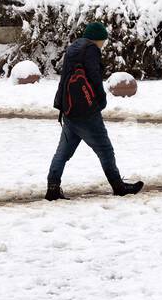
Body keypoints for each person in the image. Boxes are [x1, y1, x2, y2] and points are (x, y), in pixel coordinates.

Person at [45, 21, 144, 200]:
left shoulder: (73, 48)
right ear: (97, 39)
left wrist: (62, 105)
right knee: (105, 149)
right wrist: (101, 101)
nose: (103, 45)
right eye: (103, 41)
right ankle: (118, 186)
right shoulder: (90, 50)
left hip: (69, 109)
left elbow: (64, 80)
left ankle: (52, 187)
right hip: (86, 113)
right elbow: (94, 78)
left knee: (63, 153)